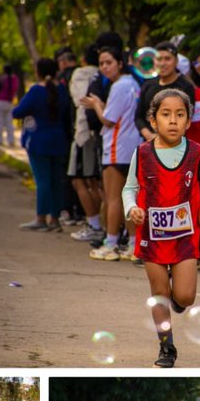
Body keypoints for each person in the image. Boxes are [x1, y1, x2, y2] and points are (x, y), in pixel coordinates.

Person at [124, 88, 200, 367]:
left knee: (185, 297)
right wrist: (132, 208)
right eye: (166, 115)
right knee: (159, 292)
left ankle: (178, 301)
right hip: (151, 236)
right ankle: (166, 348)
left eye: (180, 115)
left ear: (189, 121)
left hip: (185, 235)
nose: (173, 121)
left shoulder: (196, 152)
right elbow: (129, 188)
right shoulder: (142, 153)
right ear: (153, 121)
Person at [81, 46, 141, 260]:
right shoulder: (132, 84)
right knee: (129, 198)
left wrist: (96, 104)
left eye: (109, 62)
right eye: (102, 63)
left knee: (113, 198)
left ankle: (111, 243)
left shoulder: (119, 86)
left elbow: (108, 119)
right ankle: (134, 245)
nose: (105, 67)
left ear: (120, 63)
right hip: (132, 146)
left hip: (117, 148)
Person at [14, 57, 73, 231]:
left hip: (38, 141)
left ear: (38, 71)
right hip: (59, 140)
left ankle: (41, 218)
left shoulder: (36, 91)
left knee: (43, 181)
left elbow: (17, 112)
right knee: (56, 181)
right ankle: (55, 219)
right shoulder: (62, 89)